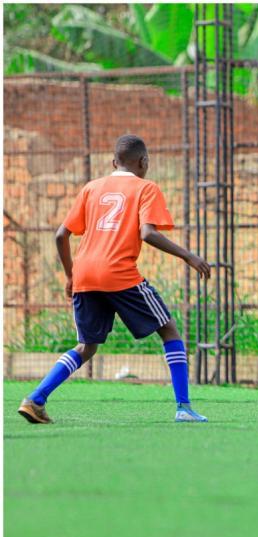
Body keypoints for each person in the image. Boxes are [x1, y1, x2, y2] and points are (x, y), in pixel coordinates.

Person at [18, 134, 211, 424]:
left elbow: (61, 235)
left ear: (113, 162)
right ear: (144, 162)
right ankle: (183, 406)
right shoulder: (146, 188)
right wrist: (188, 256)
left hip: (84, 274)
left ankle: (35, 399)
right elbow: (148, 233)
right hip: (119, 273)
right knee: (169, 331)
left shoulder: (91, 188)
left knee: (86, 346)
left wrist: (71, 275)